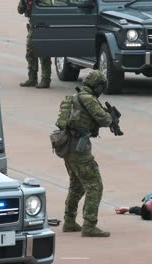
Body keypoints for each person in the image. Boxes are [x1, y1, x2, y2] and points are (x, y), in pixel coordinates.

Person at [58, 70, 112, 237]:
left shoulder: (76, 97)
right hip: (79, 150)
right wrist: (110, 117)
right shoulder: (89, 99)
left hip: (67, 146)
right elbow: (105, 119)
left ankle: (69, 221)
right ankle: (89, 225)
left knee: (77, 185)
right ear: (98, 86)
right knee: (95, 185)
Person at [17, 0, 52, 88]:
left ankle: (45, 80)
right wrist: (23, 2)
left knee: (43, 53)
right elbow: (20, 10)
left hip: (43, 25)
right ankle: (32, 78)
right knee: (30, 53)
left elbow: (48, 8)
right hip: (33, 26)